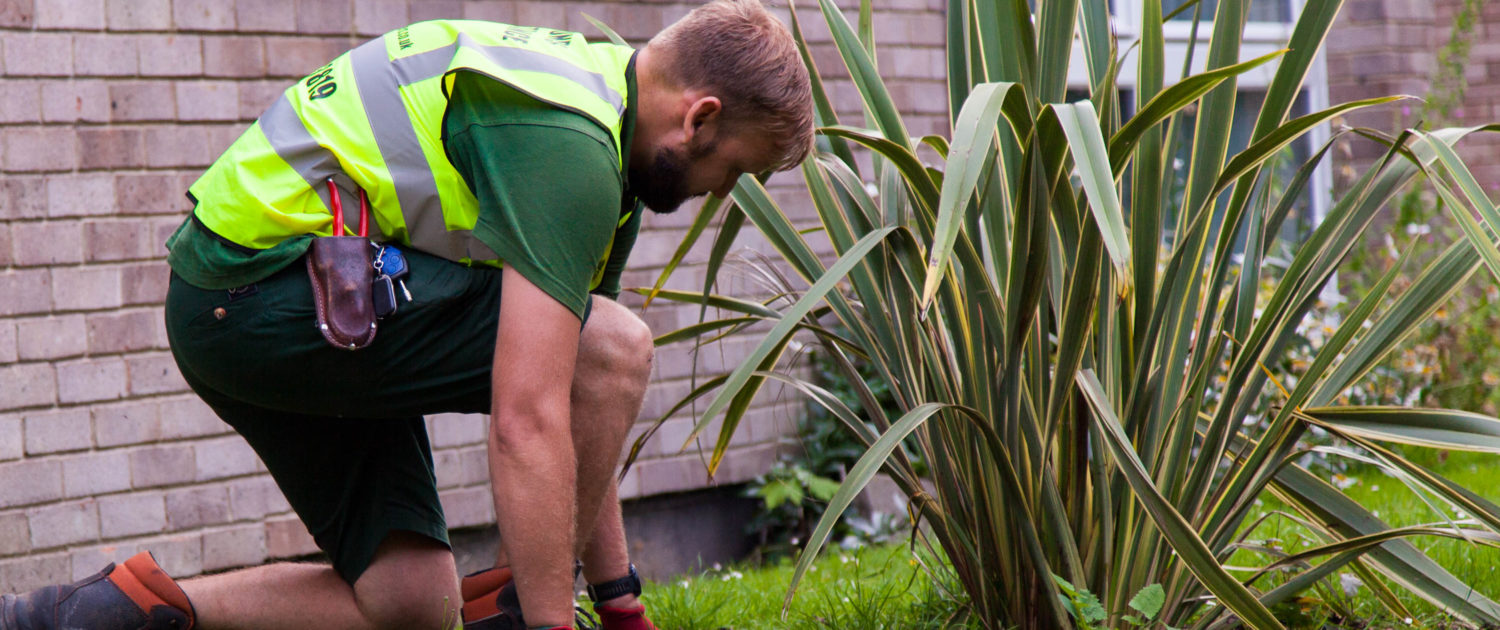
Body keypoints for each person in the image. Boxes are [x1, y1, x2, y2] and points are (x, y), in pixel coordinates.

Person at [0, 1, 813, 628]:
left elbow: (580, 397)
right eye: (736, 170)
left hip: (287, 299)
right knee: (615, 346)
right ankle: (521, 610)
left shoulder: (611, 129)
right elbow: (532, 416)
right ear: (700, 117)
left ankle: (91, 613)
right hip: (255, 293)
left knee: (413, 603)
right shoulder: (570, 144)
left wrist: (621, 601)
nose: (724, 193)